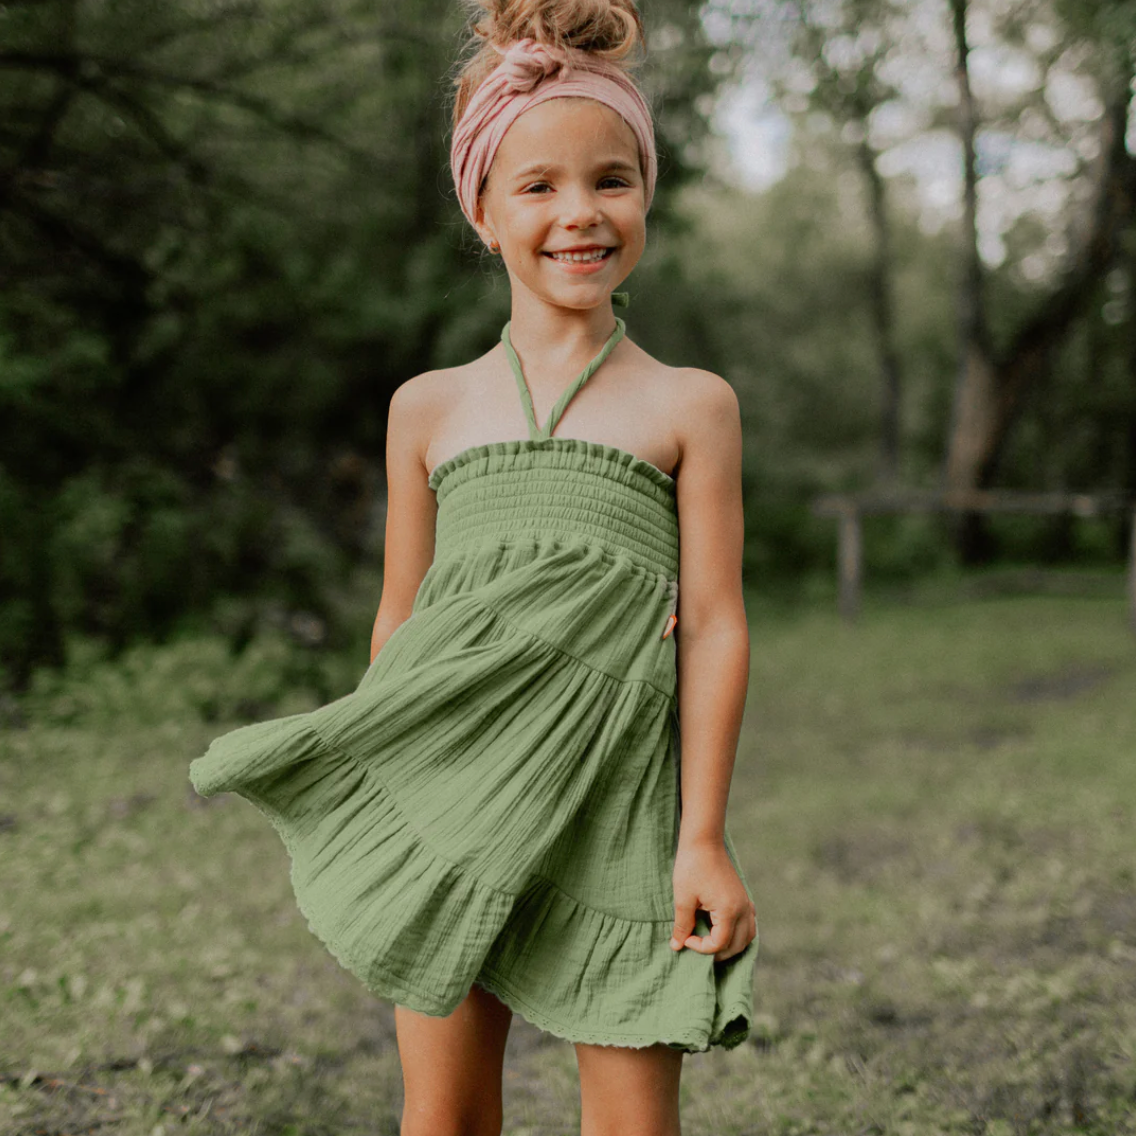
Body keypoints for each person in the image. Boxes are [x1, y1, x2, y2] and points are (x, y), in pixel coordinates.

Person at [189, 0, 758, 1132]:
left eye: (611, 178)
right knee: (444, 1115)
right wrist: (387, 802)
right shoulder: (428, 408)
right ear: (482, 211)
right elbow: (398, 621)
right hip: (456, 797)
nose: (579, 213)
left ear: (645, 191)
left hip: (618, 803)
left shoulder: (691, 404)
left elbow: (715, 621)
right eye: (537, 186)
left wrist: (701, 834)